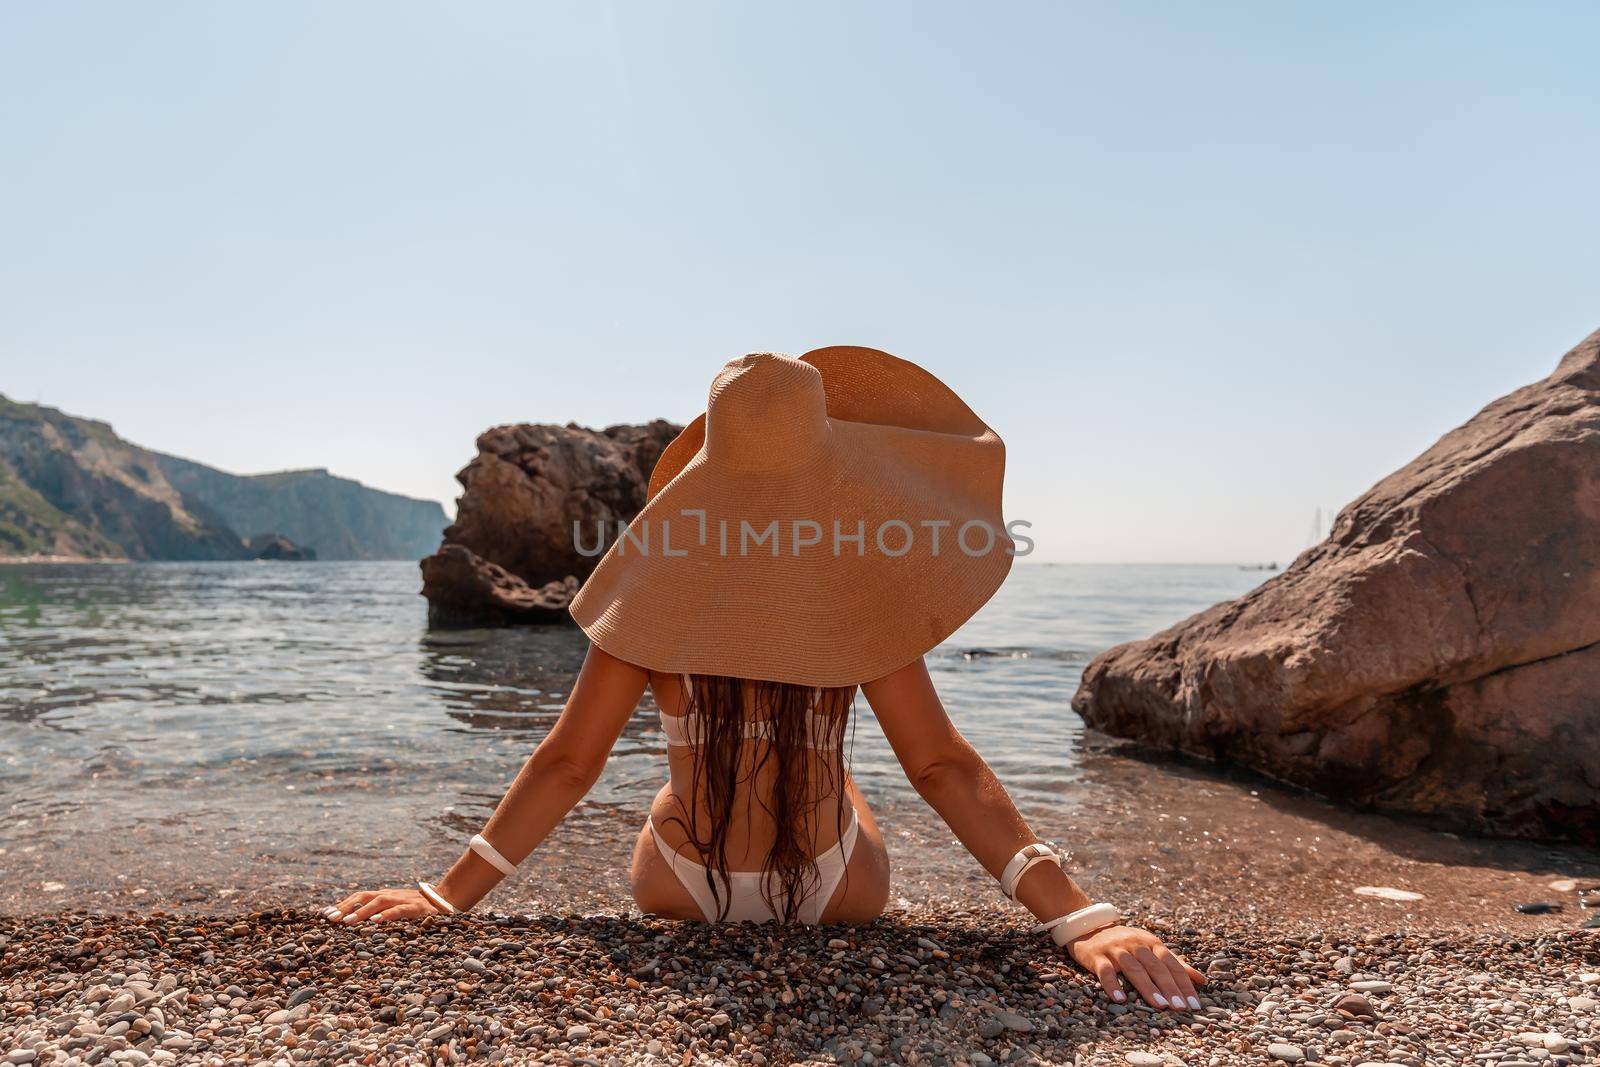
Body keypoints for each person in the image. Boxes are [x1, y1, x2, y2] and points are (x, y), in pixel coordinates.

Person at [326, 347, 1206, 1012]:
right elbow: (942, 768)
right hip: (834, 891)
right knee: (852, 778)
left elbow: (566, 764)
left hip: (676, 883)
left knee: (685, 773)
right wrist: (1081, 918)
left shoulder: (651, 582)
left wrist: (446, 893)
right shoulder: (862, 590)